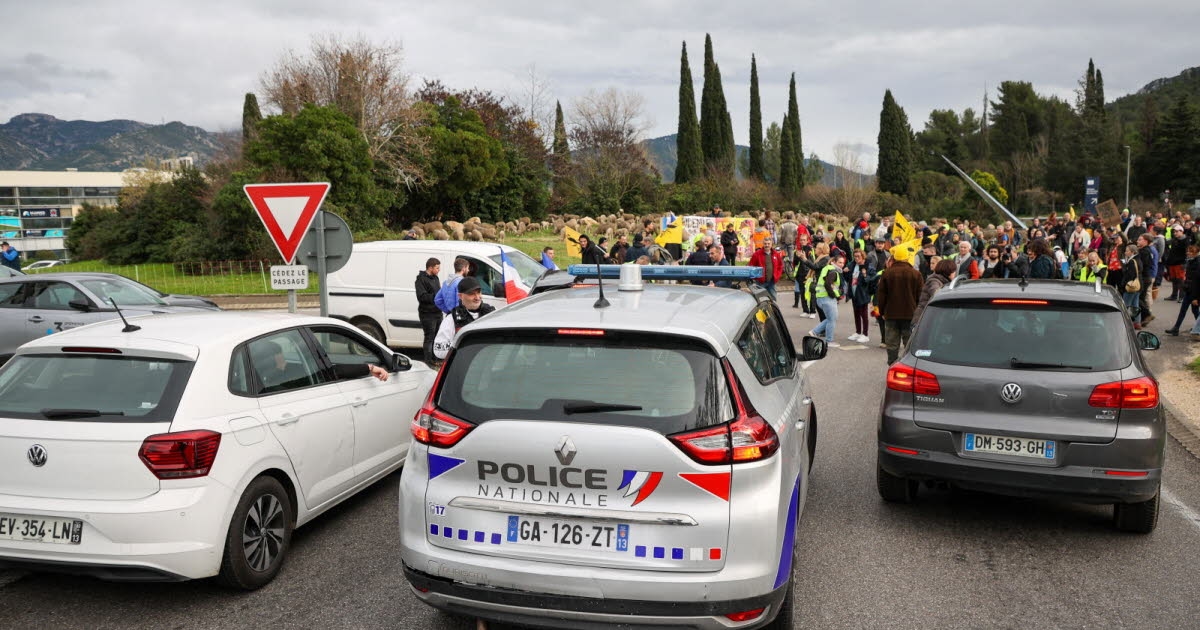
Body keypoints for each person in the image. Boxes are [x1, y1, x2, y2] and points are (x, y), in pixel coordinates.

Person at [877, 243, 924, 364]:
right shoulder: (916, 274)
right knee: (909, 343)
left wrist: (881, 312)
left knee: (892, 344)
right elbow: (921, 297)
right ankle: (908, 367)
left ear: (895, 257)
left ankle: (892, 366)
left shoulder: (887, 273)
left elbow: (881, 296)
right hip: (910, 314)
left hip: (891, 314)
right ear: (908, 257)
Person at [433, 277, 496, 359]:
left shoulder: (493, 314)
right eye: (472, 294)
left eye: (479, 292)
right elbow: (438, 350)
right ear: (460, 296)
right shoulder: (451, 319)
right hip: (465, 367)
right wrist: (465, 344)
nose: (477, 297)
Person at [809, 253, 846, 347]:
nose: (841, 264)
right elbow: (827, 284)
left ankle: (814, 331)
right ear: (834, 262)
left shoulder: (828, 268)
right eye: (839, 262)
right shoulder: (833, 271)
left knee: (831, 318)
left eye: (842, 263)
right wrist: (834, 295)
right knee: (832, 320)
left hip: (821, 297)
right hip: (827, 298)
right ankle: (829, 341)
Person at [1165, 244, 1200, 336]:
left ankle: (1197, 328)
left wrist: (1196, 297)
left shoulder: (1198, 262)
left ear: (1196, 253)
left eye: (1190, 251)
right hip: (1189, 289)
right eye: (1188, 251)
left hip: (1194, 292)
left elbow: (1197, 280)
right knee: (1184, 310)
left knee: (1195, 311)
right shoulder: (1190, 261)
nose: (1188, 253)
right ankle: (1176, 328)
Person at [843, 249, 876, 343]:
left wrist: (865, 275)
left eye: (858, 256)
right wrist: (846, 271)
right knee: (856, 314)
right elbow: (848, 278)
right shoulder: (853, 265)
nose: (856, 258)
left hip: (863, 294)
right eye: (855, 256)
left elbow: (872, 280)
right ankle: (858, 332)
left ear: (863, 256)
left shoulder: (868, 266)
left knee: (864, 315)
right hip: (854, 292)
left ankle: (865, 334)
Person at [912, 259, 956, 328]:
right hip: (922, 322)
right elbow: (936, 294)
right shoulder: (934, 281)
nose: (955, 274)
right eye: (954, 271)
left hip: (927, 320)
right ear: (948, 272)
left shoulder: (943, 281)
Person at [415, 257, 442, 362]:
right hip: (427, 314)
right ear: (430, 268)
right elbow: (421, 297)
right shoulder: (420, 279)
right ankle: (428, 361)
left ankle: (436, 359)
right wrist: (436, 296)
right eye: (437, 268)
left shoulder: (436, 278)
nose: (439, 270)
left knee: (437, 337)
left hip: (437, 312)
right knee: (429, 338)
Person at [1121, 244, 1143, 327]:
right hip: (1138, 285)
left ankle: (1125, 323)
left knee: (1126, 305)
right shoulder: (1138, 259)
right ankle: (1137, 322)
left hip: (1131, 286)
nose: (1125, 252)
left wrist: (1123, 284)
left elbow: (1129, 275)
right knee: (1135, 304)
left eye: (1127, 251)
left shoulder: (1131, 262)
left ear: (1132, 252)